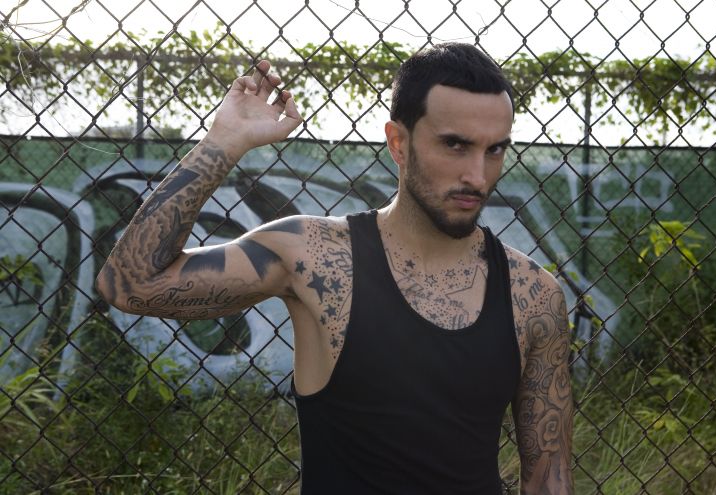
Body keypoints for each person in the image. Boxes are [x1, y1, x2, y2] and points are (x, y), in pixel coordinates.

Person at [96, 42, 573, 494]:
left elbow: (547, 479)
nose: (477, 175)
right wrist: (224, 142)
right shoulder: (316, 257)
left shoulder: (531, 294)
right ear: (398, 142)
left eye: (495, 150)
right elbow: (132, 283)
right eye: (455, 145)